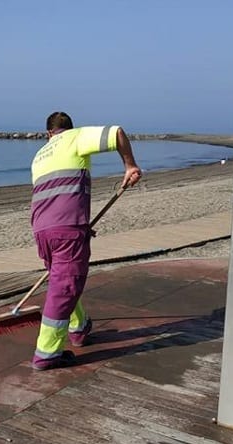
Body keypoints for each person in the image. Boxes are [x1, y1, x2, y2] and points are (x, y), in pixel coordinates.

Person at [29, 111, 142, 371]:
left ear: (48, 134)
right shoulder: (75, 138)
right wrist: (130, 165)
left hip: (42, 230)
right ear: (69, 128)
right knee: (65, 287)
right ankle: (46, 354)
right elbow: (117, 133)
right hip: (67, 230)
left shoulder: (39, 155)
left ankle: (79, 328)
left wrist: (78, 227)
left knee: (61, 281)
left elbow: (52, 195)